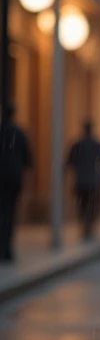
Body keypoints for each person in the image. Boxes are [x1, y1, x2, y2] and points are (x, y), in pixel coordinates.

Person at [0, 104, 33, 261]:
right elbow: (28, 158)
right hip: (13, 177)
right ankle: (6, 247)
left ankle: (4, 246)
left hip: (4, 176)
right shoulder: (19, 133)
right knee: (9, 211)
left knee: (4, 211)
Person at [65, 121, 100, 240]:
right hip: (94, 181)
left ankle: (86, 226)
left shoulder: (77, 145)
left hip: (81, 181)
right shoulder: (98, 145)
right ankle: (89, 226)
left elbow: (69, 163)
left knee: (83, 205)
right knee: (92, 205)